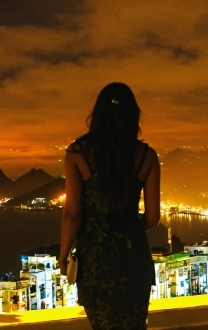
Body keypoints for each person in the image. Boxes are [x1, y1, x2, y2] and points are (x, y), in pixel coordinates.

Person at [59, 82, 161, 329]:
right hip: (134, 260)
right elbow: (152, 218)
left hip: (95, 260)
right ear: (133, 115)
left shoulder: (77, 154)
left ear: (98, 114)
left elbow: (73, 213)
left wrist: (63, 256)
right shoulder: (147, 156)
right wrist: (127, 228)